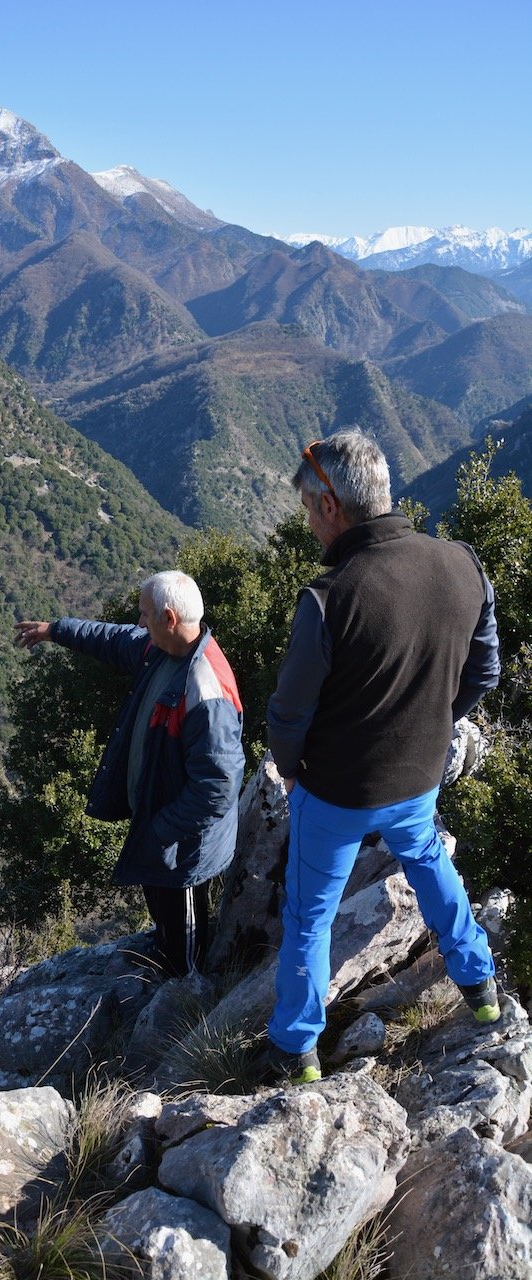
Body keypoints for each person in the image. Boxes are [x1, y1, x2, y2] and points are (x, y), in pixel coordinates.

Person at [265, 429, 502, 1084]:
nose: (311, 526)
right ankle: (479, 987)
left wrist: (289, 768)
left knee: (310, 911)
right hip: (420, 776)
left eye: (310, 511)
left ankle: (297, 1049)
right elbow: (484, 671)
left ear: (331, 506)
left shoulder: (327, 599)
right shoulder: (463, 564)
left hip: (338, 792)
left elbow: (289, 714)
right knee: (427, 860)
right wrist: (434, 721)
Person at [14, 571, 245, 976]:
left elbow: (218, 787)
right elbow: (112, 638)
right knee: (163, 916)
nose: (139, 624)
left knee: (184, 936)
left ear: (169, 618)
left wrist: (159, 830)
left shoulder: (204, 688)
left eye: (144, 615)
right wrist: (55, 631)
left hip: (183, 848)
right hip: (159, 825)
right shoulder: (161, 650)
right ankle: (166, 959)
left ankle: (185, 1007)